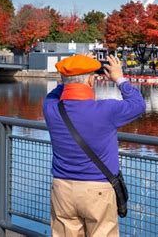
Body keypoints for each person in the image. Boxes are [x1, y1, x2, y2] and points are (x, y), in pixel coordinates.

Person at [43, 54, 146, 236]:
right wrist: (119, 78)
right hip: (97, 190)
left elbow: (55, 93)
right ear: (91, 80)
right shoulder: (106, 110)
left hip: (62, 188)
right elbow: (138, 104)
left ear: (64, 81)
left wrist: (70, 73)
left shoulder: (51, 108)